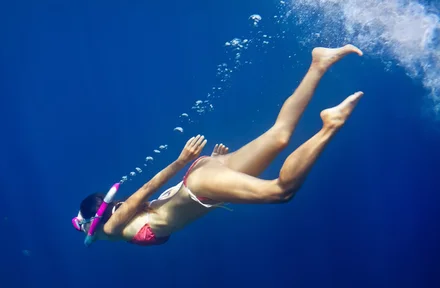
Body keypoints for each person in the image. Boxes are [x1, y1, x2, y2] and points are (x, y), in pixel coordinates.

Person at [72, 45, 364, 246]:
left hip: (199, 184)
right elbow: (160, 200)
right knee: (279, 135)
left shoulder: (112, 229)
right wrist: (207, 162)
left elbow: (147, 189)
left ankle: (330, 125)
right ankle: (319, 63)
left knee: (281, 192)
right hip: (204, 176)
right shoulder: (117, 225)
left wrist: (181, 161)